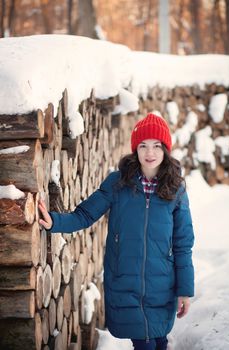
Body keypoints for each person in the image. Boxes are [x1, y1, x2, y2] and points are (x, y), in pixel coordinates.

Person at [39, 113, 194, 350]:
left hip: (162, 285)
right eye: (143, 146)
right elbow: (85, 215)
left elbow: (183, 244)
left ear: (165, 149)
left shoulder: (176, 189)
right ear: (135, 149)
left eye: (156, 146)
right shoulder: (118, 182)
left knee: (160, 339)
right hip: (125, 281)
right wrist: (55, 222)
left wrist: (184, 290)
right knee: (144, 343)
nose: (149, 153)